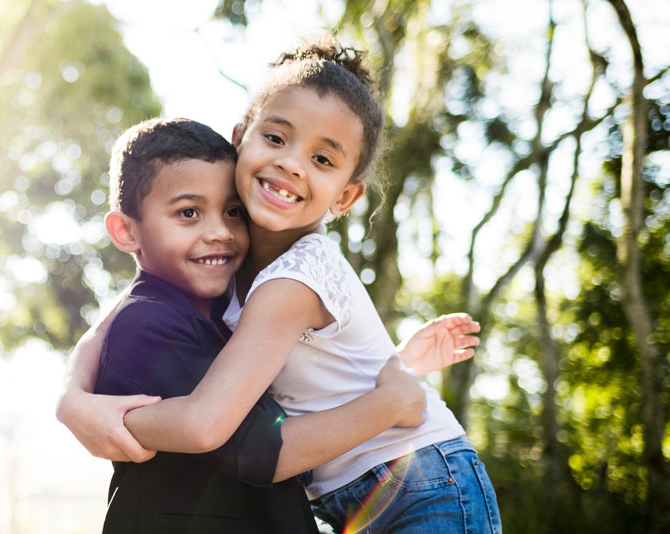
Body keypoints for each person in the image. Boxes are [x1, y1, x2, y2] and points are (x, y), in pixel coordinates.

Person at [60, 36, 501, 533]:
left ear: (346, 196)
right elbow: (117, 317)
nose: (292, 163)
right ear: (240, 137)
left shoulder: (294, 279)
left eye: (323, 160)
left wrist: (115, 420)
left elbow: (209, 424)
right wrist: (72, 399)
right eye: (276, 138)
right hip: (360, 494)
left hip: (423, 486)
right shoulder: (226, 258)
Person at [74, 116, 437, 534]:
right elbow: (258, 450)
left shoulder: (221, 307)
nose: (219, 233)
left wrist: (389, 364)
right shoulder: (146, 323)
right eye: (188, 213)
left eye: (233, 212)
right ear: (126, 231)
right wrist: (391, 402)